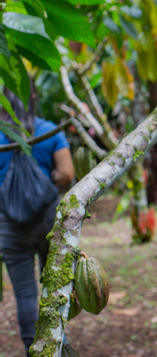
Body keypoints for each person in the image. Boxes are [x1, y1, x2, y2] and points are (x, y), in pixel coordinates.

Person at [0, 86, 74, 356]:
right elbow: (67, 173)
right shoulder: (49, 129)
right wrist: (43, 182)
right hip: (48, 221)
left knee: (25, 293)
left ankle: (33, 346)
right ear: (34, 98)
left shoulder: (0, 136)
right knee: (54, 285)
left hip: (9, 225)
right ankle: (59, 343)